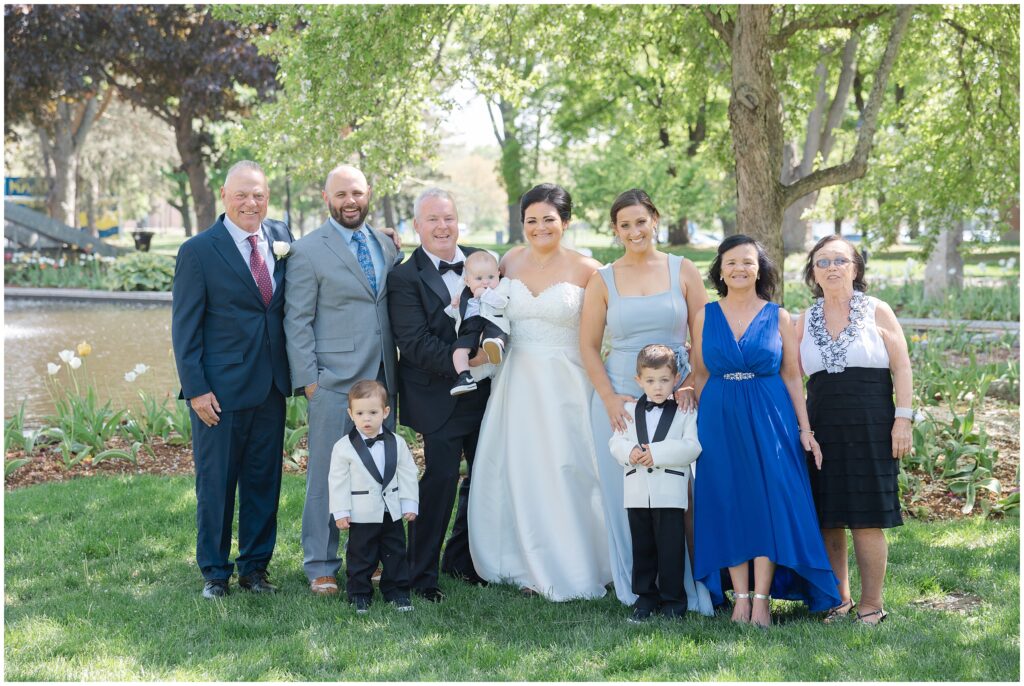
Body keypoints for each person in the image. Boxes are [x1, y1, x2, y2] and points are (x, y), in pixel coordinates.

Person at [468, 183, 612, 601]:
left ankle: (582, 559)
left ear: (566, 222)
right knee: (520, 467)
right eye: (531, 220)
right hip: (518, 379)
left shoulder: (589, 269)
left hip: (568, 379)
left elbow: (604, 333)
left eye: (549, 219)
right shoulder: (509, 260)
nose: (539, 227)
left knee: (569, 467)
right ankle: (522, 563)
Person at [691, 234, 841, 626]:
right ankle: (739, 598)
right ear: (720, 271)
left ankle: (761, 600)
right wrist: (692, 427)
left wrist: (804, 430)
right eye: (731, 263)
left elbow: (793, 377)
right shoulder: (704, 315)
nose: (739, 269)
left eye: (747, 262)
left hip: (770, 416)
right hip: (719, 418)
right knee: (729, 502)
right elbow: (701, 374)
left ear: (760, 269)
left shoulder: (778, 316)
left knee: (768, 503)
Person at [579, 188, 713, 613]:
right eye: (625, 225)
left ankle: (689, 588)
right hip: (621, 392)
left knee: (681, 491)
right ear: (616, 231)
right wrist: (608, 398)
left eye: (641, 221)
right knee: (630, 492)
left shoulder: (684, 270)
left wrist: (693, 382)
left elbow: (703, 335)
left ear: (654, 219)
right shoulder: (602, 279)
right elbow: (587, 345)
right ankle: (641, 589)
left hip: (678, 391)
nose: (635, 231)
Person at [171, 160, 293, 599]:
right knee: (216, 484)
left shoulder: (281, 239)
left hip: (272, 386)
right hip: (219, 392)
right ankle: (215, 573)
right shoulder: (199, 251)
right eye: (241, 194)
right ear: (224, 195)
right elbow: (184, 329)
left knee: (264, 482)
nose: (250, 202)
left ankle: (256, 569)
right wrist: (196, 390)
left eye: (258, 194)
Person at [284, 164, 401, 596]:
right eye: (340, 194)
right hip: (332, 382)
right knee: (327, 475)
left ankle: (367, 560)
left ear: (368, 193)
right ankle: (321, 563)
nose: (350, 201)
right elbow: (296, 320)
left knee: (378, 473)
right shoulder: (308, 250)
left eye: (356, 192)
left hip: (382, 378)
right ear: (325, 197)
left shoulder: (386, 245)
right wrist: (310, 381)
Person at [796, 235, 913, 626]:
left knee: (866, 517)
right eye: (823, 261)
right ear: (813, 271)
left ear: (856, 267)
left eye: (840, 260)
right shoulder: (803, 319)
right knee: (828, 517)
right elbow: (793, 377)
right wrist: (804, 428)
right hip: (823, 426)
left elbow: (902, 367)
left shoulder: (877, 310)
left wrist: (903, 418)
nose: (831, 268)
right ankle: (838, 599)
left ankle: (872, 604)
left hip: (872, 425)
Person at [387, 188, 490, 602]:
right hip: (437, 396)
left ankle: (464, 560)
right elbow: (413, 343)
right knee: (442, 481)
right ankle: (420, 573)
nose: (442, 226)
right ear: (417, 226)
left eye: (448, 218)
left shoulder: (481, 263)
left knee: (484, 479)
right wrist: (470, 359)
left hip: (486, 393)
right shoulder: (404, 277)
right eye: (432, 220)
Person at [609, 344, 702, 623]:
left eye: (664, 380)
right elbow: (616, 442)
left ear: (675, 379)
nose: (658, 387)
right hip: (636, 493)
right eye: (650, 380)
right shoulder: (628, 409)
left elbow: (692, 447)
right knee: (643, 548)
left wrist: (657, 454)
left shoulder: (686, 411)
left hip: (670, 494)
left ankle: (674, 602)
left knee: (671, 549)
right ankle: (645, 599)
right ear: (639, 381)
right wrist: (630, 453)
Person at [328, 380, 418, 614]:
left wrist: (409, 503)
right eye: (360, 413)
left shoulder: (397, 443)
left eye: (373, 412)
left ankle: (397, 591)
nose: (366, 419)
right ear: (351, 414)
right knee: (360, 556)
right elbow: (337, 481)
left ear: (385, 412)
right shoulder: (342, 447)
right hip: (361, 512)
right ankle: (359, 594)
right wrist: (341, 512)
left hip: (392, 511)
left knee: (395, 553)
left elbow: (408, 473)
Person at [448, 250, 510, 396]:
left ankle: (496, 348)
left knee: (494, 333)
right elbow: (456, 316)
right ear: (467, 281)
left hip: (492, 321)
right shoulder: (463, 293)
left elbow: (503, 303)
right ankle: (464, 376)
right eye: (478, 278)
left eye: (491, 277)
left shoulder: (500, 288)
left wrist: (486, 294)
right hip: (471, 328)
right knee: (458, 350)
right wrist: (454, 307)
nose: (485, 282)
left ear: (499, 273)